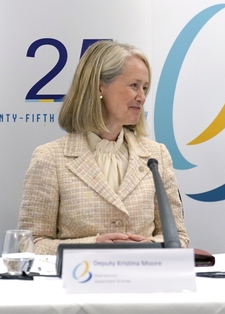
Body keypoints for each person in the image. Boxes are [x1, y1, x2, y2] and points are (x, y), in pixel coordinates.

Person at [18, 40, 190, 255]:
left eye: (145, 88)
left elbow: (178, 237)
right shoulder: (50, 158)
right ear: (100, 86)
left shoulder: (157, 156)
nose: (142, 97)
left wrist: (147, 247)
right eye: (134, 85)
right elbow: (30, 244)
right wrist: (93, 246)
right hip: (81, 276)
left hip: (144, 275)